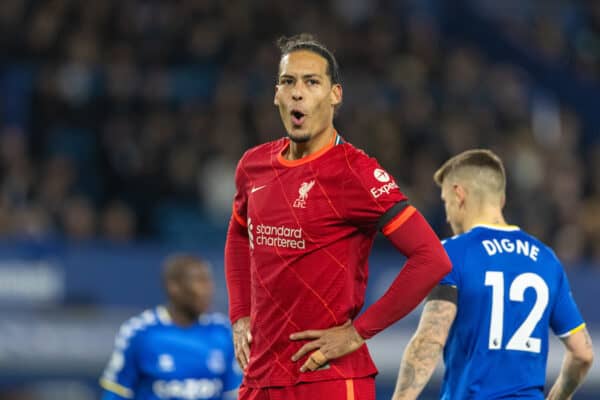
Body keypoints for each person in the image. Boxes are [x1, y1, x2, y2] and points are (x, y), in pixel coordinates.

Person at [224, 33, 452, 400]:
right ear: (277, 95)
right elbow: (238, 234)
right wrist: (240, 315)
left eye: (312, 82)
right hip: (261, 378)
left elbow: (431, 258)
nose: (298, 92)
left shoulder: (355, 172)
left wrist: (358, 332)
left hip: (327, 379)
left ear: (335, 95)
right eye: (288, 82)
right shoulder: (254, 166)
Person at [392, 149, 594, 400]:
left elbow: (430, 339)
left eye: (446, 202)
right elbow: (583, 353)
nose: (446, 214)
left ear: (459, 195)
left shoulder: (451, 253)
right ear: (501, 200)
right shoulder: (546, 260)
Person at [100, 254, 242, 400]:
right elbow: (116, 392)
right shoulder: (140, 333)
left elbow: (232, 394)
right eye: (199, 281)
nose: (208, 290)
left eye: (208, 281)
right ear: (174, 287)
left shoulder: (223, 332)